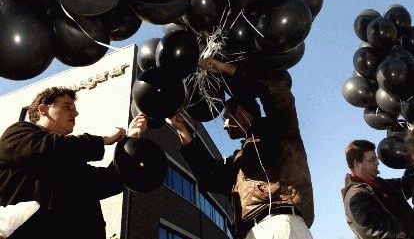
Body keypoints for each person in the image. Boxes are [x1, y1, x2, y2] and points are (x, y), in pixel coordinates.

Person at [167, 58, 314, 239]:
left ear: (242, 111)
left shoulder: (280, 129)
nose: (225, 125)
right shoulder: (238, 160)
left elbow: (277, 93)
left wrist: (226, 68)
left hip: (279, 225)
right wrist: (182, 129)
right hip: (249, 233)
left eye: (227, 117)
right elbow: (209, 175)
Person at [0, 86, 147, 239]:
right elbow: (50, 148)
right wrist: (102, 140)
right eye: (67, 106)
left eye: (74, 108)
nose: (75, 113)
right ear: (43, 109)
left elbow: (109, 180)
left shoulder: (69, 159)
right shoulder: (17, 133)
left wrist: (131, 139)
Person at [341, 139, 414, 239]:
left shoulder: (382, 184)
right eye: (372, 160)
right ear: (356, 164)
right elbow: (372, 230)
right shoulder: (356, 196)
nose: (377, 162)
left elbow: (406, 185)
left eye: (376, 159)